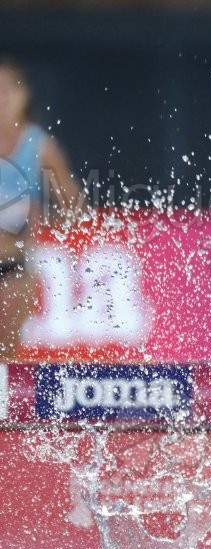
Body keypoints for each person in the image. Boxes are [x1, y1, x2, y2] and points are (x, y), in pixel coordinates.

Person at [0, 57, 82, 360]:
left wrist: (37, 216)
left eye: (7, 90)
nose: (1, 98)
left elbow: (74, 205)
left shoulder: (38, 145)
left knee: (6, 357)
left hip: (16, 265)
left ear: (23, 97)